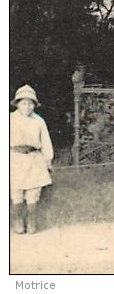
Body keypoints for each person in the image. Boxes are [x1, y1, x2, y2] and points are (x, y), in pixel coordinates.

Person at [10, 85, 54, 235]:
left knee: (33, 192)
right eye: (24, 103)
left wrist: (48, 160)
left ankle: (31, 220)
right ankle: (17, 221)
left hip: (34, 159)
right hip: (15, 159)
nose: (27, 107)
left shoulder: (39, 121)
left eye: (30, 104)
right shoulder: (10, 119)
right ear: (17, 104)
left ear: (34, 105)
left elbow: (46, 142)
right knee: (16, 192)